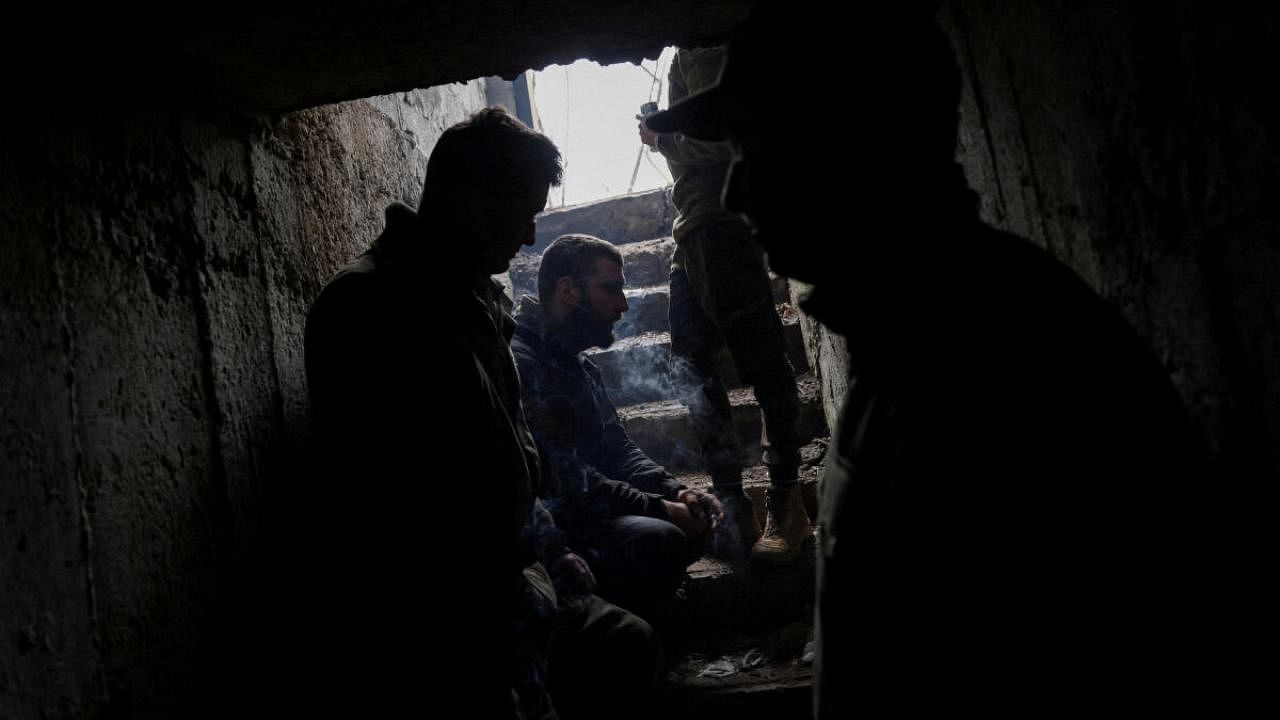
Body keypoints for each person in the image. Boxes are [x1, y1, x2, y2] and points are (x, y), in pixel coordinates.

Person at [646, 3, 1252, 715]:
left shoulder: (1002, 373)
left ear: (849, 141)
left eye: (757, 150)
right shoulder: (922, 341)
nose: (736, 191)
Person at [303, 108, 655, 719]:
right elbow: (399, 520)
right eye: (521, 214)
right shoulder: (369, 307)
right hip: (457, 623)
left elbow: (510, 462)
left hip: (522, 582)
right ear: (472, 201)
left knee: (631, 644)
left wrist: (549, 548)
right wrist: (480, 659)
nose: (526, 237)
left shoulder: (473, 303)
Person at [639, 47, 810, 562]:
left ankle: (787, 501)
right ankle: (732, 503)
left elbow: (728, 137)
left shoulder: (710, 46)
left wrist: (660, 136)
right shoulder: (685, 53)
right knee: (692, 371)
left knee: (764, 368)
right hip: (689, 231)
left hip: (722, 224)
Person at [513, 233, 721, 624]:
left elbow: (619, 450)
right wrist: (659, 508)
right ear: (568, 290)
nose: (622, 305)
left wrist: (676, 490)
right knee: (662, 538)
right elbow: (564, 479)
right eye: (610, 289)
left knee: (694, 517)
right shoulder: (522, 363)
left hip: (594, 511)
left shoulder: (580, 365)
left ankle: (645, 610)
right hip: (555, 530)